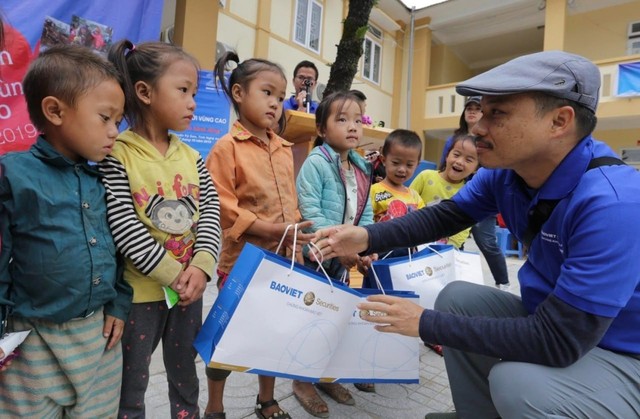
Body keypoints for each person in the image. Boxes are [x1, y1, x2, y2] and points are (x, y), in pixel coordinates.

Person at [312, 51, 640, 419]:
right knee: (457, 297)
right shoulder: (508, 172)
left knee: (516, 385)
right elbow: (447, 216)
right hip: (553, 320)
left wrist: (424, 322)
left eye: (497, 113)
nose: (477, 128)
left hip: (621, 353)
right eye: (480, 112)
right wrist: (365, 237)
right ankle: (477, 413)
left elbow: (559, 341)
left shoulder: (614, 204)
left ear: (559, 121)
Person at [0, 44, 131, 417]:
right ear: (55, 110)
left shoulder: (108, 177)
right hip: (31, 342)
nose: (114, 132)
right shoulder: (14, 175)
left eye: (118, 121)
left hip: (99, 338)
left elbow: (120, 248)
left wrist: (119, 303)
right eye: (105, 118)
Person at [99, 39, 222, 418]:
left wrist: (201, 266)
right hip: (140, 296)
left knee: (186, 376)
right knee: (131, 383)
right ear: (145, 92)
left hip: (189, 291)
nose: (192, 103)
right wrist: (174, 274)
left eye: (195, 93)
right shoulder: (117, 152)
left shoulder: (191, 156)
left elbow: (211, 210)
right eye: (183, 90)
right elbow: (123, 224)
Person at [205, 51, 314, 419]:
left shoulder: (285, 150)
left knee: (272, 334)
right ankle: (215, 406)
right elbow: (224, 208)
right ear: (238, 93)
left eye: (280, 96)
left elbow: (291, 201)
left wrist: (301, 234)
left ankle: (266, 399)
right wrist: (273, 230)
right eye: (266, 92)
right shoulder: (226, 148)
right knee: (226, 336)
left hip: (283, 261)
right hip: (242, 264)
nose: (275, 103)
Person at [294, 90, 374, 417]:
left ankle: (325, 374)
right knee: (309, 320)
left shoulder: (362, 167)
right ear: (323, 130)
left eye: (357, 119)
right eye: (342, 120)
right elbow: (310, 210)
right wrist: (341, 245)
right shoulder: (317, 162)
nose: (352, 127)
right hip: (317, 257)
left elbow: (365, 215)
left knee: (334, 318)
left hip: (343, 259)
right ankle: (301, 381)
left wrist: (368, 246)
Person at [440, 96, 511, 290]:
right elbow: (443, 165)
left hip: (482, 199)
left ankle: (503, 283)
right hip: (455, 195)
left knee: (486, 241)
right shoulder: (454, 139)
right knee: (451, 238)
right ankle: (452, 280)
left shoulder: (490, 138)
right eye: (468, 108)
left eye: (477, 108)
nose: (472, 111)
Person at [411, 134, 479, 249]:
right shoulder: (425, 176)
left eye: (468, 160)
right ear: (447, 156)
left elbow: (464, 227)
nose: (460, 162)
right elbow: (408, 201)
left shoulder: (468, 192)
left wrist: (450, 248)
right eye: (456, 155)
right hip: (414, 238)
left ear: (476, 169)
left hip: (447, 249)